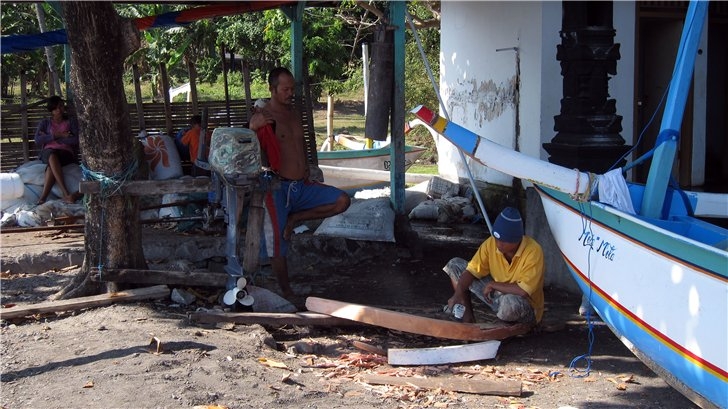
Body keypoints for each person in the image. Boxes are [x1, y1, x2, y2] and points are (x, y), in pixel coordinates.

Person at [248, 67, 351, 297]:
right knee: (277, 245)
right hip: (276, 186)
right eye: (285, 89)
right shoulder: (263, 117)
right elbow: (247, 146)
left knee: (342, 200)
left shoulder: (294, 114)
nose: (290, 93)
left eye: (292, 89)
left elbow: (300, 146)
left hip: (301, 185)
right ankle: (286, 292)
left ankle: (295, 218)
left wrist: (306, 169)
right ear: (272, 90)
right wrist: (252, 127)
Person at [443, 206, 544, 326]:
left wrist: (493, 284)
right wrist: (457, 295)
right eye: (496, 239)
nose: (498, 244)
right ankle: (468, 320)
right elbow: (471, 270)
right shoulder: (491, 243)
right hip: (498, 297)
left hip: (524, 306)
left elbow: (523, 291)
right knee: (455, 265)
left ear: (517, 240)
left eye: (503, 241)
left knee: (509, 303)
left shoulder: (533, 251)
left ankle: (501, 328)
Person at [34, 95, 81, 204]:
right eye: (55, 108)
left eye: (60, 106)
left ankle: (42, 198)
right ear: (51, 110)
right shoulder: (45, 123)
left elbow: (75, 139)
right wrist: (59, 135)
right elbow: (37, 140)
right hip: (48, 152)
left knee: (51, 167)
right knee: (52, 155)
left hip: (66, 153)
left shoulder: (70, 121)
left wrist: (55, 140)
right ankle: (66, 193)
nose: (59, 110)